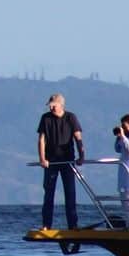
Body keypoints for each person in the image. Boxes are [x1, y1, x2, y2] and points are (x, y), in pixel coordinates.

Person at [37, 93, 85, 230]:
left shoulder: (71, 117)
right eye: (50, 105)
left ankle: (73, 225)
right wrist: (42, 158)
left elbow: (78, 138)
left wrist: (81, 156)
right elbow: (41, 140)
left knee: (70, 193)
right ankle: (46, 224)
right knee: (49, 193)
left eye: (54, 105)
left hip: (67, 161)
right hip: (51, 161)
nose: (51, 108)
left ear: (61, 105)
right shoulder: (45, 118)